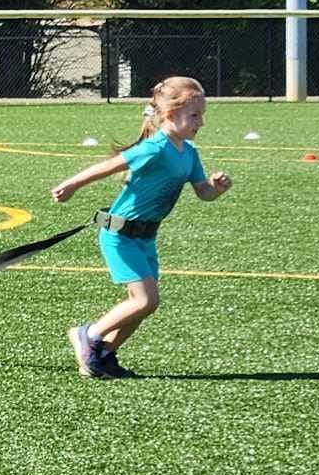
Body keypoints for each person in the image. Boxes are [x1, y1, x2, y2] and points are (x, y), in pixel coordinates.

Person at [52, 75, 232, 378]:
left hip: (146, 239)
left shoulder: (189, 153)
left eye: (202, 115)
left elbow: (203, 192)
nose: (201, 122)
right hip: (120, 235)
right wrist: (71, 185)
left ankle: (103, 356)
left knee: (145, 305)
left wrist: (216, 188)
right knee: (145, 300)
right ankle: (88, 334)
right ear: (171, 114)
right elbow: (111, 165)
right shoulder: (155, 148)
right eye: (195, 115)